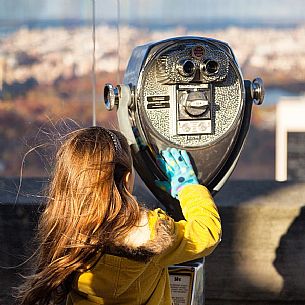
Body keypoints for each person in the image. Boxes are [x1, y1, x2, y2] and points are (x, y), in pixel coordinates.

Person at [17, 126, 221, 305]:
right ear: (126, 179)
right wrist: (188, 188)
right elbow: (207, 233)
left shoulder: (66, 232)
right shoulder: (153, 233)